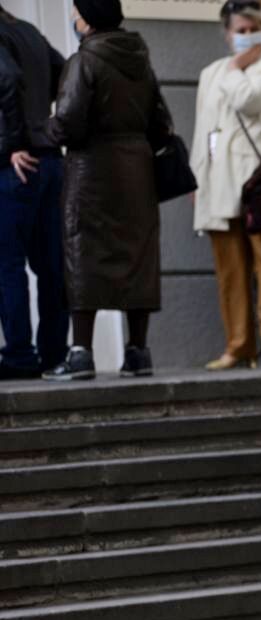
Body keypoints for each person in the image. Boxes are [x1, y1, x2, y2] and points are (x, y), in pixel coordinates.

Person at [42, 0, 173, 381]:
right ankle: (138, 352)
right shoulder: (140, 59)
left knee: (84, 251)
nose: (72, 18)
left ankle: (81, 354)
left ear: (88, 18)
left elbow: (68, 123)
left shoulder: (84, 60)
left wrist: (43, 130)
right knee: (138, 255)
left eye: (76, 11)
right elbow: (162, 123)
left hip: (92, 171)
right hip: (137, 171)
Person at [191, 0, 261, 371]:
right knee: (229, 270)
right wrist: (197, 180)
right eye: (239, 30)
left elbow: (249, 102)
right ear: (226, 33)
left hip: (259, 184)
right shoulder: (210, 73)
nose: (246, 36)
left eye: (252, 28)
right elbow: (204, 130)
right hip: (218, 183)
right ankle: (238, 346)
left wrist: (236, 67)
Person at [0, 5, 68, 380]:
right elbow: (63, 72)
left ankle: (19, 356)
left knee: (7, 265)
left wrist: (12, 143)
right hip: (48, 161)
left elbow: (6, 79)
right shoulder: (26, 30)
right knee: (50, 266)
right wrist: (45, 123)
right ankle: (54, 353)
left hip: (15, 165)